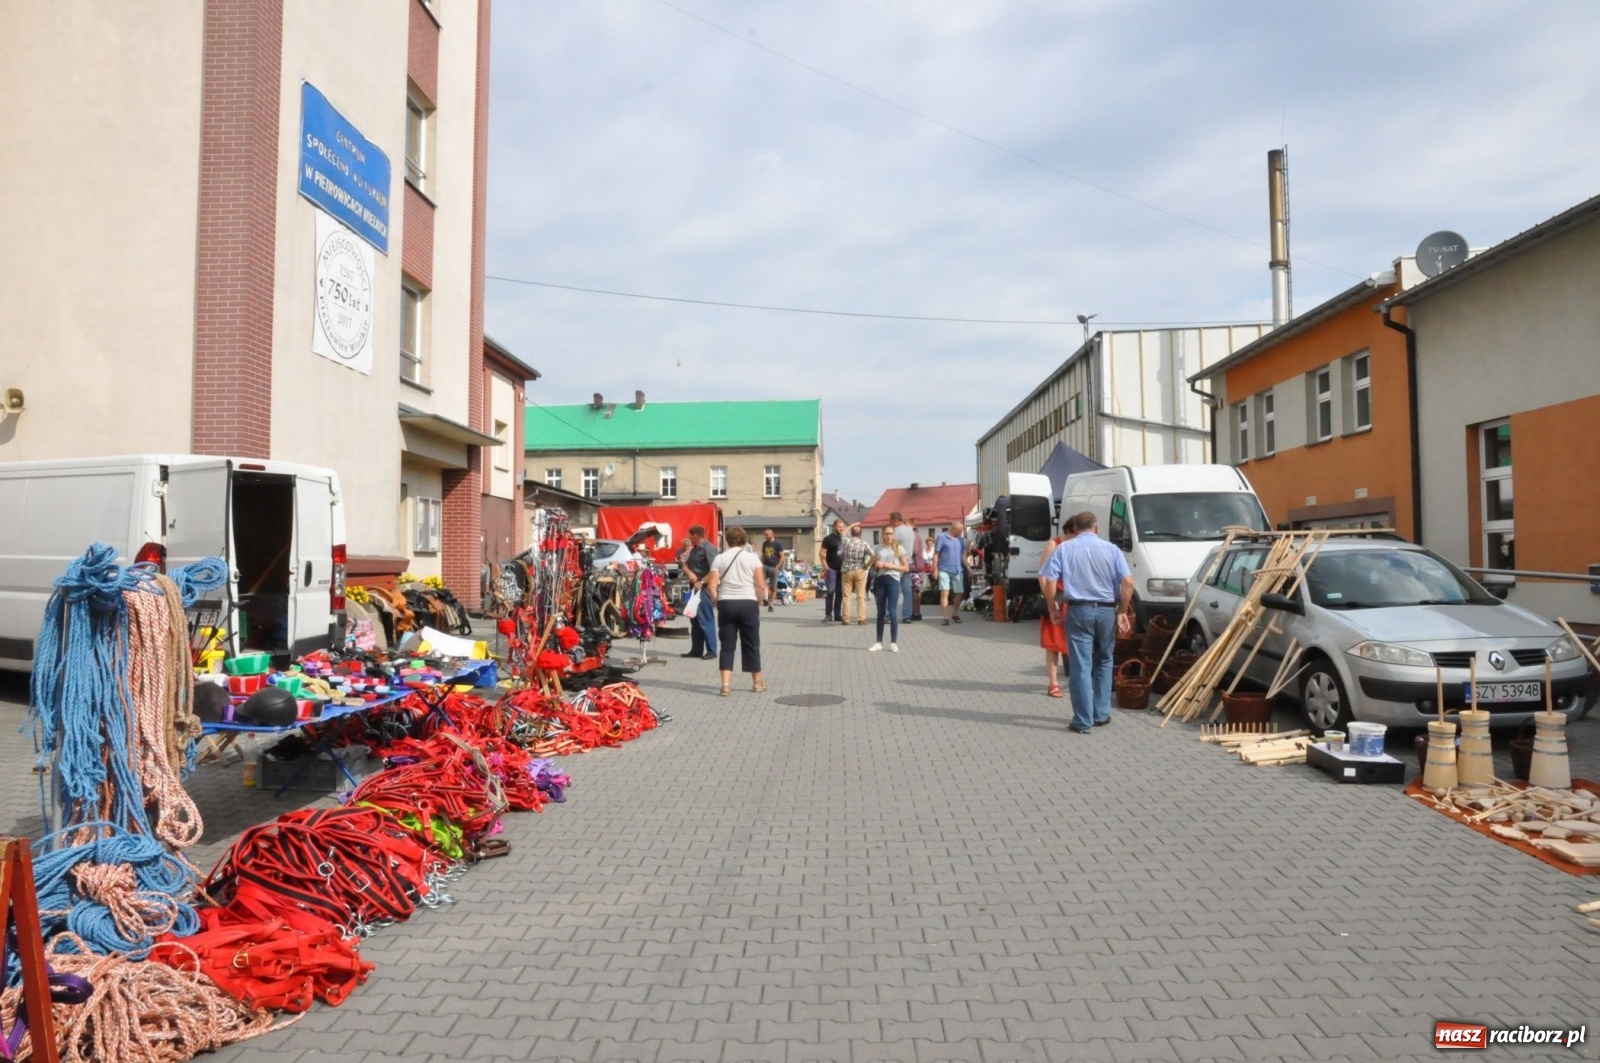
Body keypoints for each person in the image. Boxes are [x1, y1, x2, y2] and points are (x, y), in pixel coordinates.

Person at [1038, 511, 1135, 734]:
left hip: (1078, 610)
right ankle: (1102, 713)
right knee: (1104, 660)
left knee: (1081, 665)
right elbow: (1128, 583)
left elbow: (1049, 581)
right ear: (1096, 528)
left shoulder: (1064, 548)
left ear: (1075, 528)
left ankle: (1083, 720)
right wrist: (1121, 611)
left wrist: (1052, 608)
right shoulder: (1112, 550)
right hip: (1106, 611)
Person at [704, 526, 768, 696]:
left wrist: (718, 600)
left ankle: (725, 685)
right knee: (752, 644)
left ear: (728, 540)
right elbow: (761, 585)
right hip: (748, 602)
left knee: (727, 646)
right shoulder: (753, 558)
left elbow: (711, 585)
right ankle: (757, 683)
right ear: (744, 540)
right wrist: (759, 601)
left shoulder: (719, 558)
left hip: (726, 603)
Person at [1038, 520, 1076, 698]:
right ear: (1068, 531)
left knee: (1074, 643)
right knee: (1053, 643)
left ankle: (1078, 681)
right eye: (1075, 534)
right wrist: (1050, 600)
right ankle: (1053, 683)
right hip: (1057, 598)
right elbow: (1043, 575)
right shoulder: (1054, 544)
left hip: (1074, 600)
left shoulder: (1078, 546)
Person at [677, 525, 718, 661]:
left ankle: (712, 650)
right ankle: (696, 649)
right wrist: (690, 574)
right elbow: (685, 565)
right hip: (693, 588)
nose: (688, 538)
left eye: (690, 535)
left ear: (696, 535)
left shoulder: (709, 548)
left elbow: (715, 570)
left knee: (705, 619)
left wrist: (701, 581)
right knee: (695, 620)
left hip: (703, 589)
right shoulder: (695, 550)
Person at [869, 533, 909, 652]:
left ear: (894, 536)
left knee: (892, 612)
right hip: (881, 580)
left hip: (893, 580)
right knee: (880, 612)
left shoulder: (899, 548)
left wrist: (889, 565)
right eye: (886, 534)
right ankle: (878, 642)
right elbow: (872, 565)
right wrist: (876, 565)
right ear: (883, 535)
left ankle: (893, 642)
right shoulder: (877, 548)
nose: (889, 536)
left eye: (891, 534)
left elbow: (906, 568)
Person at [932, 522, 968, 625]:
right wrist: (935, 569)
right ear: (954, 529)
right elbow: (936, 554)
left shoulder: (961, 540)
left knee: (959, 593)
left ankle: (955, 613)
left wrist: (968, 567)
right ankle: (945, 617)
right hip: (944, 569)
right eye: (960, 531)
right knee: (945, 592)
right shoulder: (942, 537)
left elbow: (963, 555)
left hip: (957, 570)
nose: (961, 533)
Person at [839, 524, 872, 625]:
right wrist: (866, 566)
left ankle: (846, 619)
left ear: (852, 533)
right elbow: (874, 556)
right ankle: (861, 619)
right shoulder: (864, 544)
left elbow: (843, 533)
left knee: (846, 597)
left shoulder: (846, 541)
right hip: (860, 570)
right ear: (860, 534)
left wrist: (852, 525)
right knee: (861, 596)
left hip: (846, 570)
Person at [890, 512, 917, 623]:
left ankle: (889, 615)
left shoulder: (896, 531)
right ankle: (906, 615)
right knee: (907, 591)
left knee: (892, 589)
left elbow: (892, 546)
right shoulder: (910, 530)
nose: (889, 523)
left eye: (890, 520)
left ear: (895, 520)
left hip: (897, 563)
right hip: (908, 562)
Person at [819, 519, 845, 623]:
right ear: (834, 527)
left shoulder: (844, 538)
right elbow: (821, 554)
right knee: (830, 591)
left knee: (840, 593)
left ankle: (837, 615)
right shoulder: (828, 539)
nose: (841, 528)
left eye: (842, 526)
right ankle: (828, 615)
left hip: (843, 570)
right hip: (832, 569)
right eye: (839, 526)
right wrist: (826, 567)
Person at [757, 529, 786, 613]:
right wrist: (761, 564)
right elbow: (763, 555)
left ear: (772, 534)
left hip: (774, 567)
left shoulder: (778, 543)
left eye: (766, 535)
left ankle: (771, 604)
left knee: (773, 587)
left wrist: (777, 567)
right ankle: (761, 600)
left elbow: (782, 557)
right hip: (765, 566)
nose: (765, 536)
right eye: (764, 535)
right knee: (760, 584)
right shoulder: (765, 544)